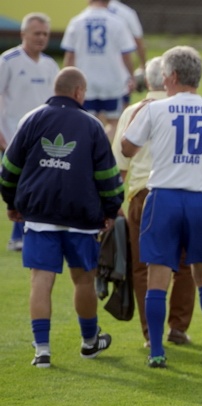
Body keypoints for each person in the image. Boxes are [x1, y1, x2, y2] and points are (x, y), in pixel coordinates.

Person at [121, 45, 202, 369]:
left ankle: (157, 350)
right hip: (201, 200)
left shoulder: (154, 109)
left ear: (172, 77)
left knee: (158, 276)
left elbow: (127, 149)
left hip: (164, 198)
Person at [0, 67, 123, 367]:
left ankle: (42, 350)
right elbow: (108, 176)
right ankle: (90, 342)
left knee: (40, 282)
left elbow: (9, 168)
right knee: (83, 281)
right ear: (79, 92)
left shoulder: (31, 118)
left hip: (39, 215)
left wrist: (11, 202)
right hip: (81, 219)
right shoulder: (93, 125)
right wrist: (110, 211)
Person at [111, 56, 196, 348]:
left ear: (149, 80)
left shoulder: (134, 111)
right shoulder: (194, 109)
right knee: (185, 265)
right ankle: (178, 327)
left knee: (143, 267)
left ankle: (151, 333)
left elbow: (120, 164)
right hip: (186, 192)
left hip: (143, 193)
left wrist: (113, 204)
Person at [0, 13, 59, 252]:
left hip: (41, 139)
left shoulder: (50, 65)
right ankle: (20, 234)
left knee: (30, 185)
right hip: (11, 135)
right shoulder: (8, 61)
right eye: (37, 33)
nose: (42, 38)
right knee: (18, 184)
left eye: (45, 34)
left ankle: (21, 236)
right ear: (23, 34)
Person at [62, 0, 136, 140]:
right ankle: (101, 149)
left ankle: (89, 150)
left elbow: (70, 56)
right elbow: (126, 55)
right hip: (112, 81)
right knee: (115, 123)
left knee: (85, 122)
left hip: (84, 81)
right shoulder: (117, 22)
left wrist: (66, 80)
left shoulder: (77, 21)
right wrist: (131, 76)